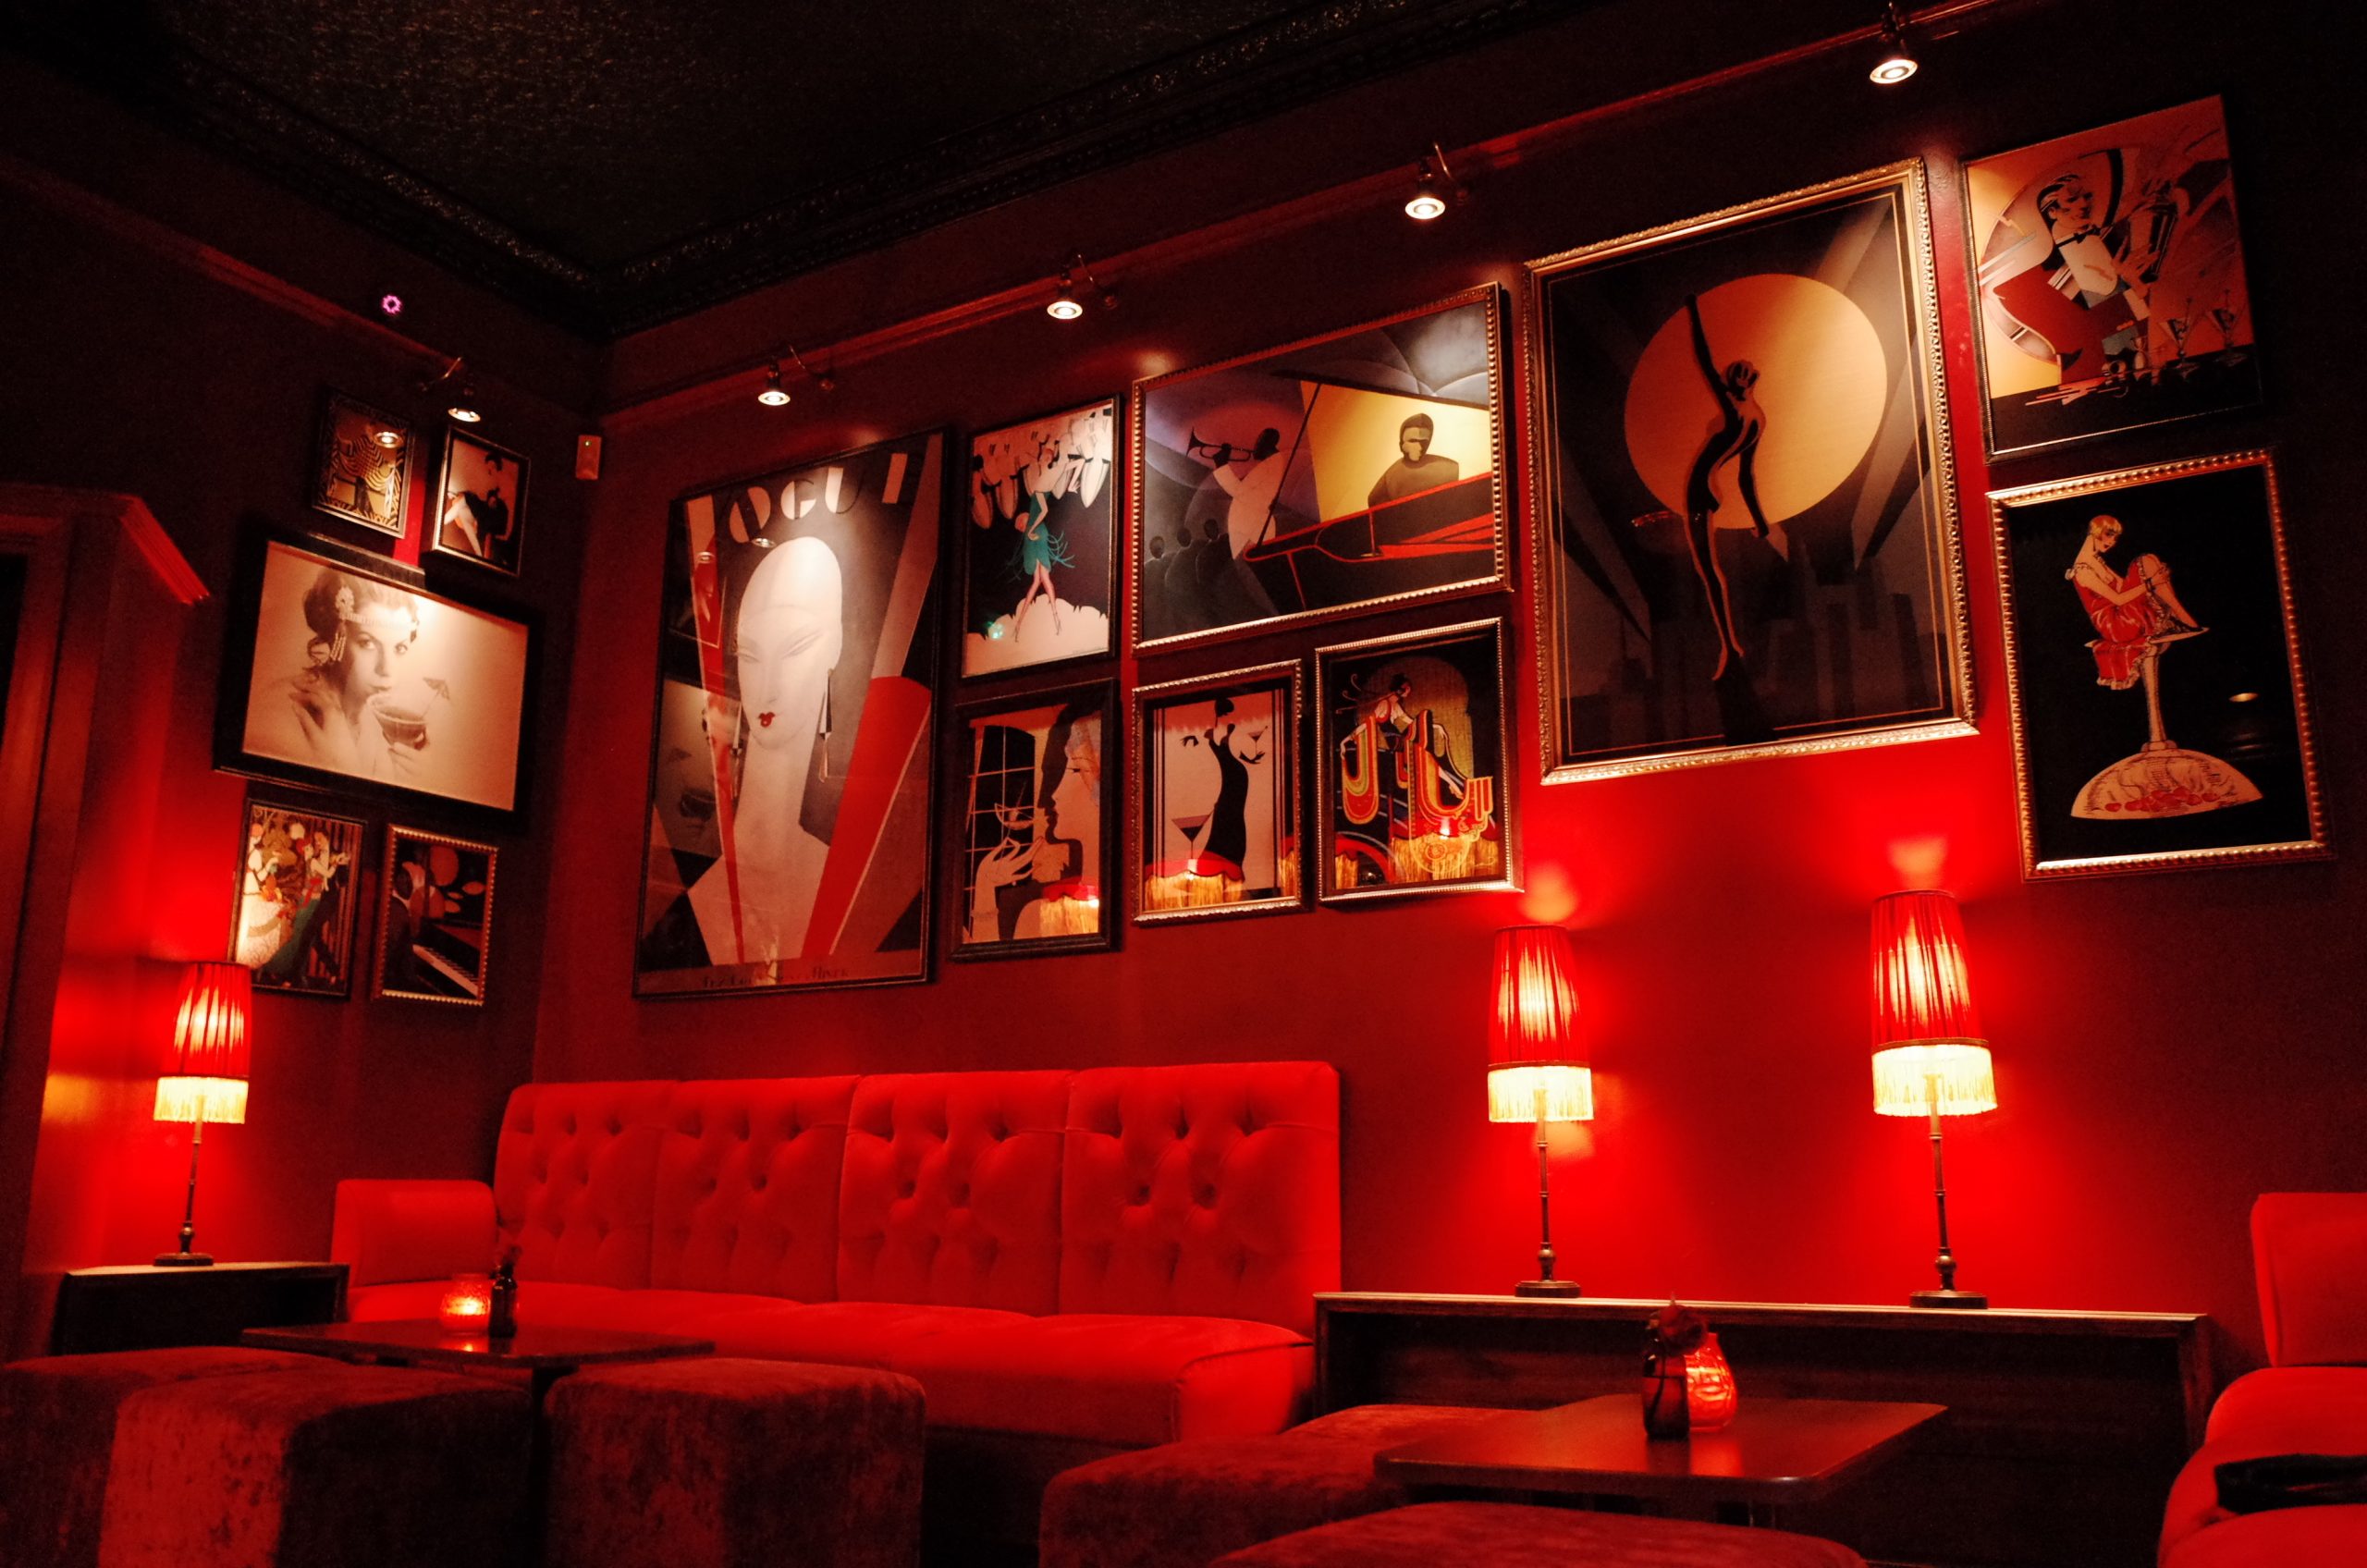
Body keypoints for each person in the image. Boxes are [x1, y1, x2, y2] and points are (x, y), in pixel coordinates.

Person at [684, 535, 844, 966]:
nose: (768, 684)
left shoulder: (834, 875)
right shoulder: (702, 880)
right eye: (751, 656)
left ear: (835, 647)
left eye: (795, 649)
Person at [258, 567, 423, 781]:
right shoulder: (282, 714)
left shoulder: (380, 721)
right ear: (338, 638)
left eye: (400, 648)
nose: (387, 670)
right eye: (367, 643)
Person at [2067, 512, 2202, 689]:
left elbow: (2123, 585)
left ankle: (2179, 616)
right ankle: (2182, 618)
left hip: (2121, 612)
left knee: (2148, 559)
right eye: (2109, 535)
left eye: (2115, 537)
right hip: (2114, 626)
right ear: (2095, 532)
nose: (2113, 542)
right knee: (2144, 564)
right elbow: (2118, 599)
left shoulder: (2095, 560)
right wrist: (2151, 583)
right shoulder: (2082, 569)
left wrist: (2152, 578)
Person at [1367, 411, 1461, 506]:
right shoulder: (1391, 475)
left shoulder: (1449, 468)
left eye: (1424, 442)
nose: (1419, 447)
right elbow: (1374, 503)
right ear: (1401, 443)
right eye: (1413, 441)